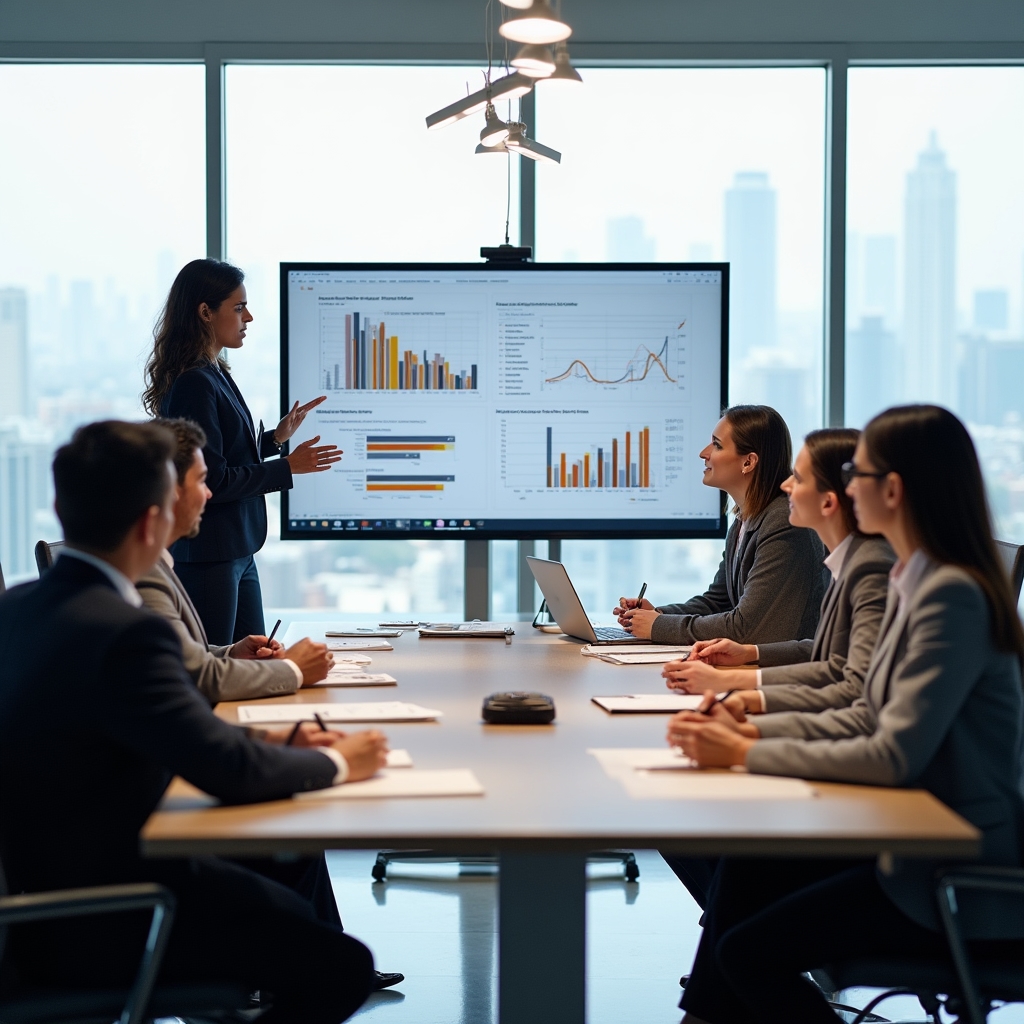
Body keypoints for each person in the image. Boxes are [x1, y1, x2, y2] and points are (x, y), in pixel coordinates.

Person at [0, 420, 387, 1022]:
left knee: (292, 869)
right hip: (113, 913)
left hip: (50, 886)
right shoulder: (127, 632)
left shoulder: (18, 606)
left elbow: (167, 730)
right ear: (153, 522)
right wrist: (339, 761)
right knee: (341, 968)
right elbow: (223, 768)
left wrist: (283, 744)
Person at [666, 405, 1024, 1024]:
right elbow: (858, 701)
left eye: (856, 471)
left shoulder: (948, 598)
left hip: (950, 877)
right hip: (905, 834)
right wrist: (747, 725)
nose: (843, 485)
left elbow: (887, 749)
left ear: (893, 489)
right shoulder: (919, 580)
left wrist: (746, 748)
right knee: (743, 879)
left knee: (747, 951)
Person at [658, 428, 895, 911]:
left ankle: (731, 954)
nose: (787, 486)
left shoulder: (876, 572)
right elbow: (832, 663)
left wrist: (746, 738)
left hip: (911, 849)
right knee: (715, 867)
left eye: (800, 479)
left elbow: (856, 698)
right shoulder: (859, 564)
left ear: (834, 499)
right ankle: (728, 956)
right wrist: (744, 681)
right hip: (877, 801)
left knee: (721, 871)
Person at [143, 258, 342, 645]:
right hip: (210, 556)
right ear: (205, 312)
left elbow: (222, 455)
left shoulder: (213, 371)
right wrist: (287, 467)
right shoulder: (194, 383)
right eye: (238, 307)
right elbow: (212, 478)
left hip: (237, 550)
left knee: (254, 660)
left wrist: (275, 440)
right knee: (220, 667)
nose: (248, 317)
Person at [662, 428, 895, 714]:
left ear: (828, 501)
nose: (786, 486)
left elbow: (847, 684)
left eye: (797, 478)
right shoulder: (847, 561)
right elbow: (829, 655)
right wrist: (750, 654)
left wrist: (740, 707)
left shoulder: (868, 568)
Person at [138, 416, 334, 703]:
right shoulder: (142, 580)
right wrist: (293, 668)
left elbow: (179, 656)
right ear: (168, 492)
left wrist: (229, 652)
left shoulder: (153, 567)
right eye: (202, 480)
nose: (209, 492)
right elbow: (202, 680)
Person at [613, 405, 827, 645]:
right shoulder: (743, 521)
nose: (704, 453)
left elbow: (745, 627)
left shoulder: (782, 522)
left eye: (716, 445)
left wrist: (657, 626)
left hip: (785, 673)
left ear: (748, 462)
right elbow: (719, 601)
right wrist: (657, 615)